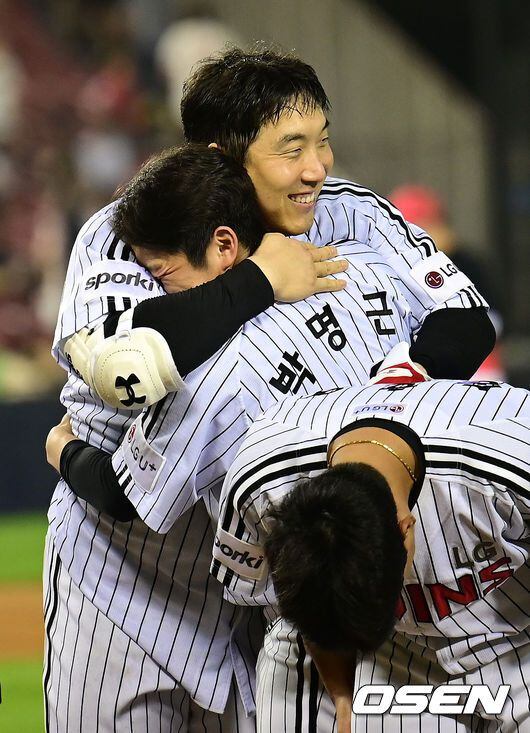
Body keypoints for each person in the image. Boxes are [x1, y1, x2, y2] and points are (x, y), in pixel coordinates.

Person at [47, 46, 494, 730]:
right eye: (293, 148)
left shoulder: (351, 212)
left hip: (264, 579)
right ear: (223, 155)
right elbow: (118, 372)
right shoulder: (129, 229)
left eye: (322, 139)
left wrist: (383, 401)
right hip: (125, 572)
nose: (318, 167)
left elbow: (463, 320)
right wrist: (257, 282)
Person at [212, 375, 530, 732]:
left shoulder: (509, 460)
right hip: (396, 651)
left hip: (515, 639)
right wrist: (343, 704)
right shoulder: (263, 478)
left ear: (406, 526)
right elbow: (312, 615)